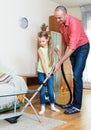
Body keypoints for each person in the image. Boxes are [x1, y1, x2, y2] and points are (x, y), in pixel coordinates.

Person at [53, 6, 90, 114]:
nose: (57, 20)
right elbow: (65, 42)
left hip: (82, 47)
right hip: (72, 47)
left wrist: (59, 63)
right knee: (75, 74)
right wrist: (61, 56)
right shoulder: (61, 26)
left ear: (66, 14)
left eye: (59, 18)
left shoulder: (75, 23)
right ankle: (73, 103)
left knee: (77, 75)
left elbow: (72, 47)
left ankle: (77, 106)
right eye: (56, 18)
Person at [37, 31, 60, 115]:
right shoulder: (40, 49)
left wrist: (59, 62)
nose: (41, 43)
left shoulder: (51, 47)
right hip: (41, 72)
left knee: (50, 89)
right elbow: (42, 61)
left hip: (50, 72)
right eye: (40, 41)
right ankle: (42, 107)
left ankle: (52, 106)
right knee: (43, 90)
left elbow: (58, 51)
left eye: (43, 41)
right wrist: (46, 73)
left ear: (47, 39)